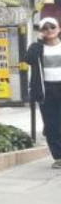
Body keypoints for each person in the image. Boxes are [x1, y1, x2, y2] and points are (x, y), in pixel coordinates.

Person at [24, 16, 61, 169]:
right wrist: (39, 41)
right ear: (41, 31)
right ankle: (58, 157)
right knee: (52, 124)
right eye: (45, 28)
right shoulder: (37, 48)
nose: (49, 30)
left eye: (52, 27)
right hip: (46, 90)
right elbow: (28, 59)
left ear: (59, 29)